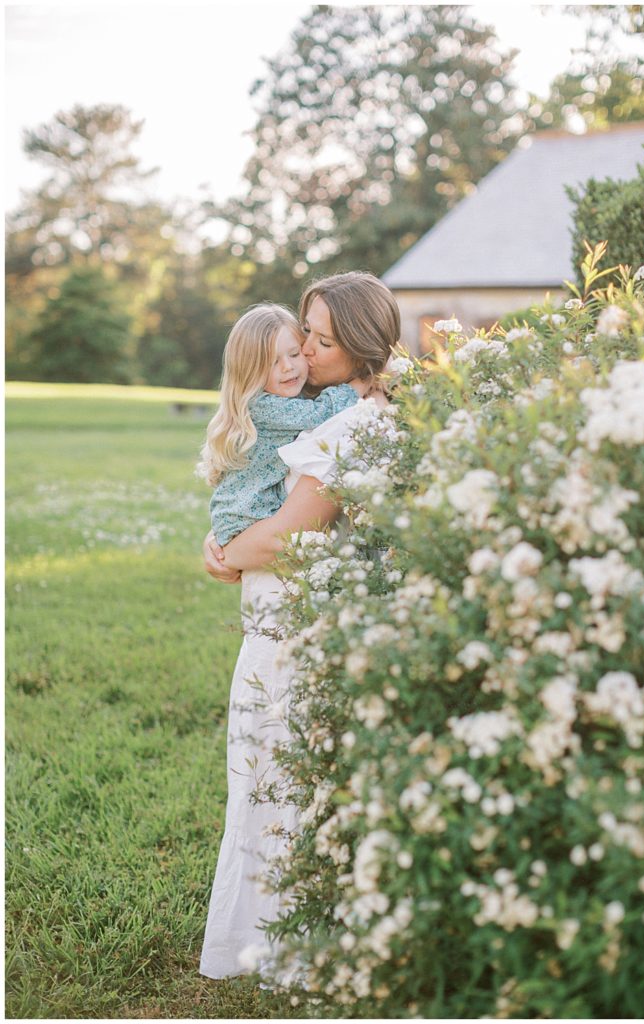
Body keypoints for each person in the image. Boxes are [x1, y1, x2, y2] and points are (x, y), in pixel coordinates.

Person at [199, 272, 400, 981]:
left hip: (296, 642)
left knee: (282, 795)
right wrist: (222, 541)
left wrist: (224, 551)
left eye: (318, 340)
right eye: (303, 336)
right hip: (282, 634)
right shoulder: (326, 413)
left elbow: (287, 540)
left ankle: (291, 944)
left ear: (359, 348)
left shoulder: (351, 423)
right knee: (267, 790)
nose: (305, 353)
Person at [196, 303, 366, 547]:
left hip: (246, 518)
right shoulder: (264, 406)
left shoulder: (284, 396)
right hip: (245, 518)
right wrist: (360, 384)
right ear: (250, 371)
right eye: (272, 362)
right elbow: (319, 413)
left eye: (294, 354)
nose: (288, 366)